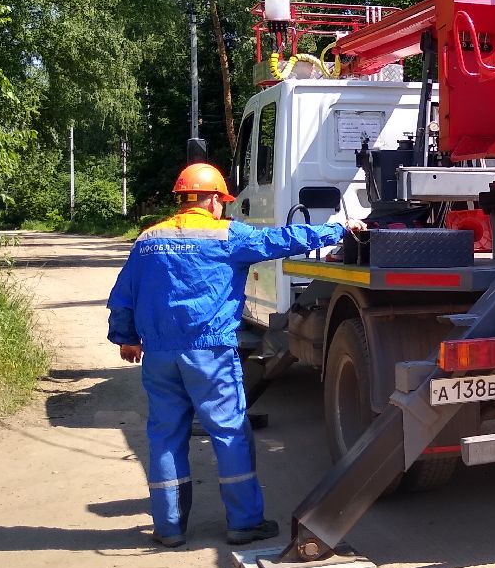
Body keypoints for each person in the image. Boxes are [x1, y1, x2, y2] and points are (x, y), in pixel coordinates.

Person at [107, 163, 364, 548]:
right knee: (228, 433)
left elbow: (122, 295)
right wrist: (337, 229)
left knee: (164, 436)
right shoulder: (227, 235)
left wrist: (126, 337)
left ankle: (169, 528)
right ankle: (243, 522)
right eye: (221, 201)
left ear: (182, 198)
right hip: (208, 353)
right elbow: (283, 240)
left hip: (159, 355)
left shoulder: (147, 239)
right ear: (212, 200)